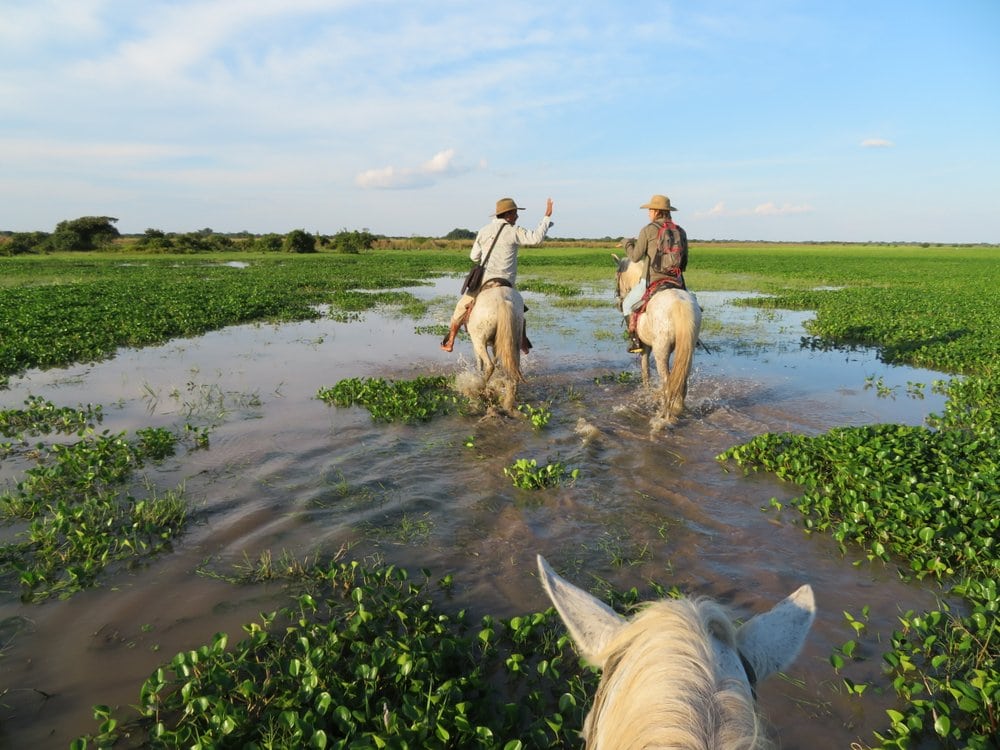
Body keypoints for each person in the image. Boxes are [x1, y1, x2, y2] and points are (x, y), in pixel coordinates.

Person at [440, 196, 554, 353]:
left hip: (484, 282)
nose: (517, 216)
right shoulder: (515, 231)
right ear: (508, 215)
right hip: (507, 283)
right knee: (519, 310)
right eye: (515, 213)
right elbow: (536, 238)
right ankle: (522, 341)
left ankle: (450, 341)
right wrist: (547, 216)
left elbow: (474, 257)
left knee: (460, 309)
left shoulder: (483, 231)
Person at [620, 194, 689, 353]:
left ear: (657, 211)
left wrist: (627, 243)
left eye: (650, 209)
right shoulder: (681, 231)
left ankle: (635, 341)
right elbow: (684, 261)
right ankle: (693, 338)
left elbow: (635, 257)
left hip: (651, 280)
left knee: (627, 305)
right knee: (691, 304)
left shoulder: (648, 230)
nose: (648, 212)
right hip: (677, 281)